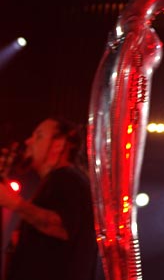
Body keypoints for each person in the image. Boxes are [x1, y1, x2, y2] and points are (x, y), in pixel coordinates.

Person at [0, 117, 98, 280]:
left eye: (38, 136)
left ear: (59, 144)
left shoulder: (68, 179)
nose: (28, 141)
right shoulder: (57, 181)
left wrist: (14, 203)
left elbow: (62, 227)